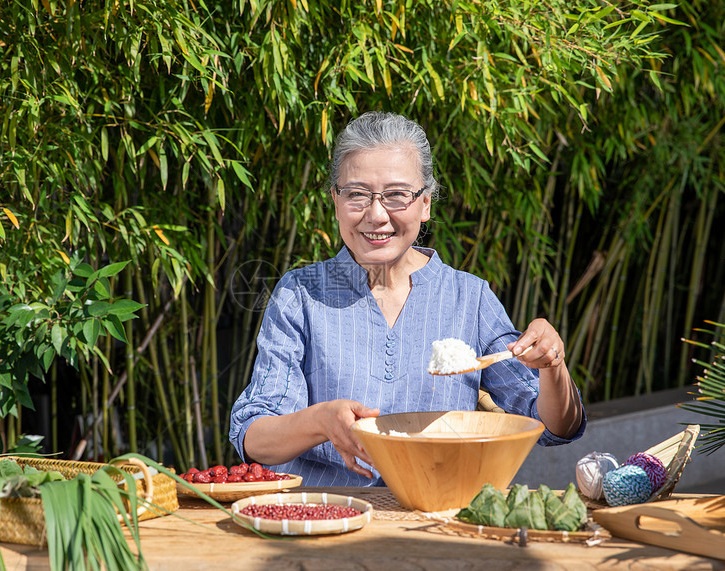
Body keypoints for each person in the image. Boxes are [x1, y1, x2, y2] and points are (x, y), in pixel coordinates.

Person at [229, 111, 585, 486]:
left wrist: (552, 365)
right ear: (335, 200)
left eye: (397, 195)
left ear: (425, 204)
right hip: (326, 516)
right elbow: (254, 438)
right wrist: (321, 421)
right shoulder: (300, 294)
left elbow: (553, 425)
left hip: (434, 518)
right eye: (356, 195)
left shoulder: (469, 297)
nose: (376, 215)